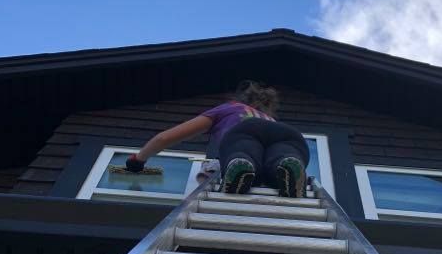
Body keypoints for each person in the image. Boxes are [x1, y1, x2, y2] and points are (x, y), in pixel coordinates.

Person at [125, 80, 310, 197]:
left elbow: (164, 138)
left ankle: (241, 164)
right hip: (290, 135)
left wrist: (138, 159)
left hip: (247, 131)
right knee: (279, 159)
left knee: (243, 149)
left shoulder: (230, 108)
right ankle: (288, 166)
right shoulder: (270, 119)